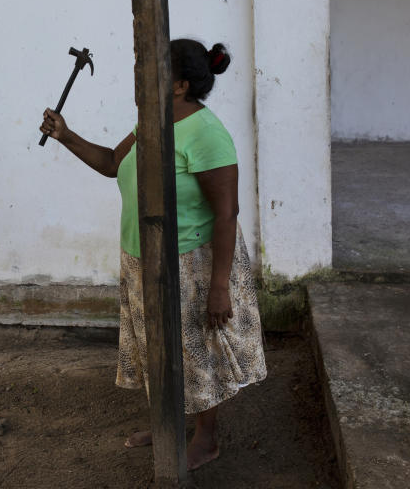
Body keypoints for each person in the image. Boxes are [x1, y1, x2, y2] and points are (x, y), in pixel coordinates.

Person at [39, 39, 267, 471]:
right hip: (142, 258)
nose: (140, 76)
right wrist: (65, 135)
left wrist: (219, 287)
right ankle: (168, 424)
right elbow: (111, 163)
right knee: (159, 349)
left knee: (197, 350)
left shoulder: (206, 133)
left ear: (179, 85)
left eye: (150, 70)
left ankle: (207, 437)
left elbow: (227, 213)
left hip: (191, 263)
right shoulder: (151, 121)